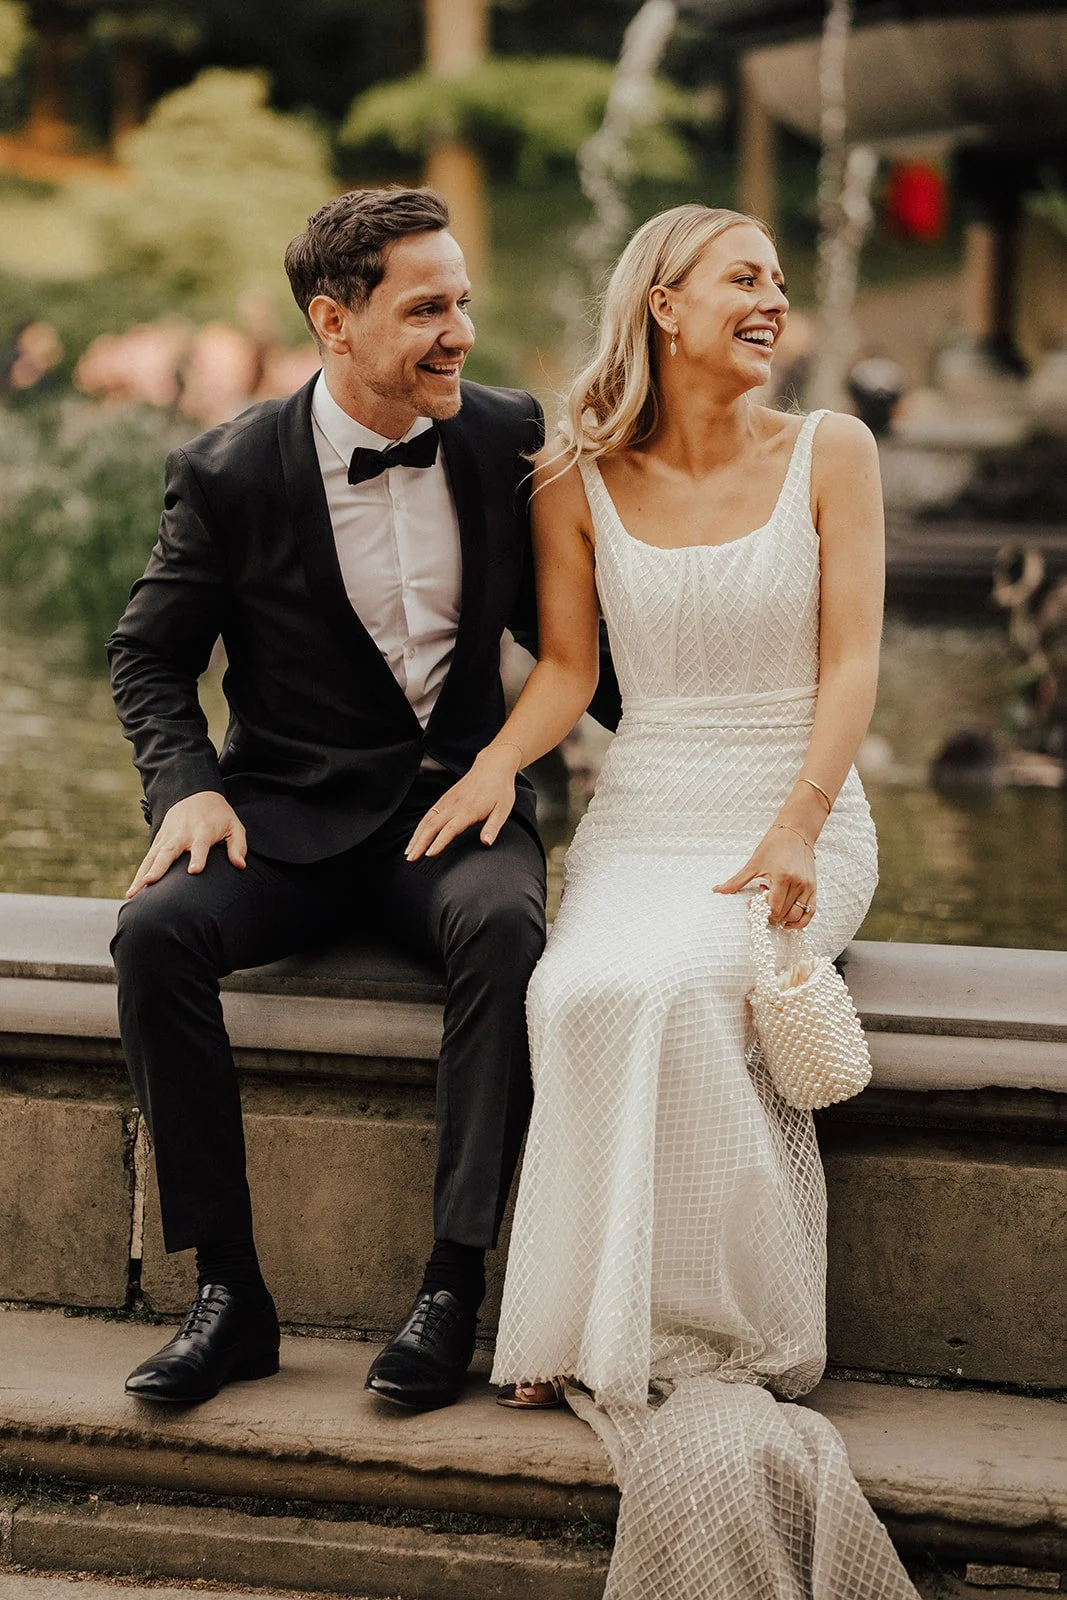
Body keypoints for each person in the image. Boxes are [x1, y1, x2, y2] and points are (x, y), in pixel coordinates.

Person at [407, 205, 919, 1597]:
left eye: (773, 282)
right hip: (647, 809)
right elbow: (569, 673)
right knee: (575, 989)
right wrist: (496, 770)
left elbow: (851, 666)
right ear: (664, 308)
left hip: (793, 805)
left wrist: (801, 821)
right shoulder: (572, 475)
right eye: (739, 279)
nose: (770, 301)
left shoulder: (832, 451)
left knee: (683, 987)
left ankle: (708, 1337)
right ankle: (582, 1323)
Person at [107, 186, 618, 1411]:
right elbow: (147, 657)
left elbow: (571, 651)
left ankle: (452, 1289)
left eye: (464, 302)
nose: (461, 332)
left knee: (506, 930)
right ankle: (228, 1295)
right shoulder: (226, 470)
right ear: (335, 324)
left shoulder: (506, 435)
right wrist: (184, 789)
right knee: (152, 934)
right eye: (428, 308)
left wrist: (729, 766)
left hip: (457, 813)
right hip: (278, 821)